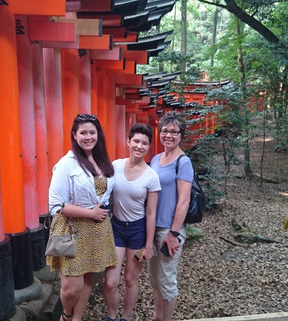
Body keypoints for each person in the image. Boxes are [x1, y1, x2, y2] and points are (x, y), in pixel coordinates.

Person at [47, 114, 117, 321]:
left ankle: (77, 319)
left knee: (87, 279)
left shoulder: (103, 160)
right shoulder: (66, 164)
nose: (88, 137)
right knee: (71, 288)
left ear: (98, 135)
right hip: (71, 230)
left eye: (92, 132)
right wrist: (91, 213)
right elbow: (55, 205)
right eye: (83, 133)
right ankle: (66, 316)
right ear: (74, 136)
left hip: (97, 230)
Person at [103, 124, 161, 321]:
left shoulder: (151, 176)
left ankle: (125, 318)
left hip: (138, 230)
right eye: (136, 141)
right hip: (117, 228)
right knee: (110, 282)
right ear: (128, 141)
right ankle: (111, 316)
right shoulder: (115, 166)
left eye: (144, 143)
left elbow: (151, 212)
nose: (139, 146)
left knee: (130, 279)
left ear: (149, 147)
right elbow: (103, 194)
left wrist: (148, 245)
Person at [147, 111, 193, 321]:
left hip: (168, 229)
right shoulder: (156, 158)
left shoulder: (183, 162)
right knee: (154, 278)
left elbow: (183, 200)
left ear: (181, 135)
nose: (169, 135)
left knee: (167, 279)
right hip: (152, 228)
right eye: (165, 130)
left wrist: (174, 233)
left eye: (174, 132)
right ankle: (158, 316)